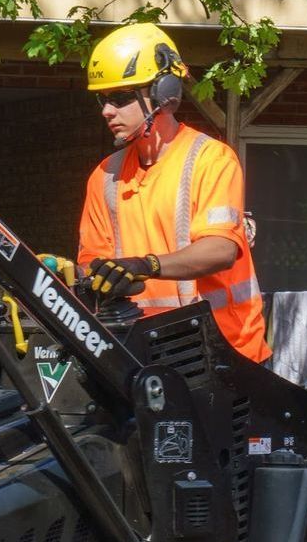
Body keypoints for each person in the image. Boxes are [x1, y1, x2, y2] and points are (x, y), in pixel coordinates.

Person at [74, 23, 270, 363]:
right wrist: (97, 277)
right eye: (102, 100)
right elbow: (92, 263)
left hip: (227, 355)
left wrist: (144, 265)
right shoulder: (104, 176)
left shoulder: (211, 159)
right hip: (147, 356)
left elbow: (220, 250)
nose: (107, 111)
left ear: (164, 94)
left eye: (120, 98)